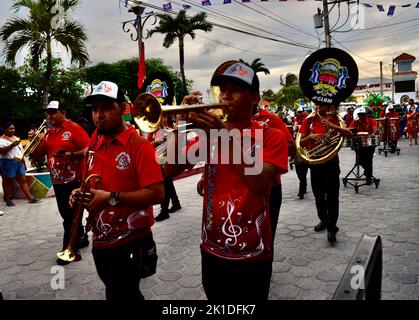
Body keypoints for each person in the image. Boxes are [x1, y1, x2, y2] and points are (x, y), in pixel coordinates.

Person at [165, 61, 288, 300]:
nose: (226, 95)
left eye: (236, 89)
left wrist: (224, 136)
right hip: (211, 249)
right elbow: (170, 168)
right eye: (223, 89)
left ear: (255, 97)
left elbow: (260, 184)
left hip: (253, 252)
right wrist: (180, 124)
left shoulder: (271, 136)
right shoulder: (210, 134)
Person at [70, 80, 164, 301]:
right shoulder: (94, 145)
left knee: (122, 294)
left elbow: (158, 193)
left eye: (106, 108)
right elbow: (91, 184)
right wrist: (80, 194)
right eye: (94, 109)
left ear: (123, 109)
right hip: (101, 241)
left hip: (131, 242)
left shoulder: (139, 146)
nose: (98, 115)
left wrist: (110, 198)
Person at [29, 101, 90, 264]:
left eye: (53, 112)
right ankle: (81, 238)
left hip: (74, 180)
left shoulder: (74, 128)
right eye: (48, 113)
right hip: (57, 181)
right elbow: (37, 155)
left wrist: (71, 154)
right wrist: (33, 142)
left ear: (63, 112)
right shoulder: (48, 133)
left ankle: (69, 249)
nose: (50, 116)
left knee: (69, 216)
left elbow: (88, 149)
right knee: (67, 213)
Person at [299, 104, 353, 243]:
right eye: (316, 104)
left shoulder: (336, 119)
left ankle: (331, 227)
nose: (318, 107)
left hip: (331, 164)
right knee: (318, 197)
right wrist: (311, 137)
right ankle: (324, 220)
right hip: (315, 164)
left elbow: (349, 134)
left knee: (332, 198)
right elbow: (299, 143)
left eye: (321, 104)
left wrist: (332, 126)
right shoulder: (308, 120)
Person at [252, 103, 294, 240]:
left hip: (269, 187)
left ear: (254, 97)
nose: (227, 96)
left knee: (265, 238)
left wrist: (265, 144)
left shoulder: (271, 119)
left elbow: (291, 146)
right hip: (236, 190)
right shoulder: (227, 123)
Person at [147, 121, 182, 222]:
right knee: (168, 183)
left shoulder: (162, 131)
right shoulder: (151, 132)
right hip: (158, 160)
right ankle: (176, 203)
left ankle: (164, 211)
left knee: (165, 185)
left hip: (163, 160)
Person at [0, 121, 39, 206]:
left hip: (19, 161)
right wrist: (11, 145)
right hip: (7, 162)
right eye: (10, 128)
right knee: (7, 182)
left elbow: (21, 151)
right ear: (5, 129)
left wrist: (24, 163)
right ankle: (8, 200)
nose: (12, 130)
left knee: (23, 180)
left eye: (13, 128)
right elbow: (1, 151)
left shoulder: (16, 138)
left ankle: (29, 198)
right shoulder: (1, 139)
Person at [349, 107, 378, 185]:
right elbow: (350, 130)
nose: (362, 116)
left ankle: (368, 177)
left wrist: (372, 134)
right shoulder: (355, 122)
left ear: (366, 115)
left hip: (369, 144)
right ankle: (368, 172)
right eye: (360, 115)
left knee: (369, 160)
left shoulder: (371, 121)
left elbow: (375, 128)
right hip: (359, 144)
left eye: (363, 115)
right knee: (360, 161)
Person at [293, 107, 309, 199]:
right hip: (299, 146)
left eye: (301, 112)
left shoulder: (307, 118)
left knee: (304, 170)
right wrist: (295, 128)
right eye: (298, 112)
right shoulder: (297, 118)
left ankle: (302, 189)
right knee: (300, 171)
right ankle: (303, 185)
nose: (299, 113)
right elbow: (295, 126)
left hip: (308, 147)